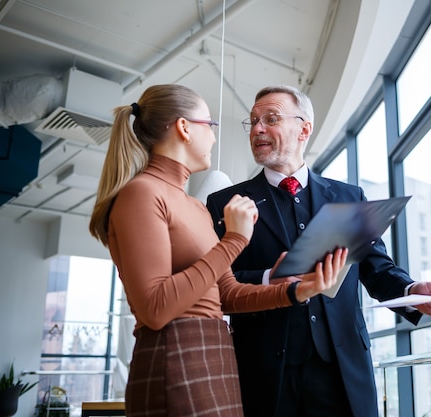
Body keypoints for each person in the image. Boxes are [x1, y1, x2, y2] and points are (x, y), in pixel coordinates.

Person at [88, 84, 348, 417]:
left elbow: (226, 294)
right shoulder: (142, 194)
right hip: (174, 357)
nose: (213, 137)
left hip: (216, 354)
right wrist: (235, 241)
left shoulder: (195, 208)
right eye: (209, 126)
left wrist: (297, 291)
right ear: (184, 128)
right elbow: (154, 308)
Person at [205, 84, 431, 417]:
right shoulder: (226, 203)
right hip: (264, 370)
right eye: (252, 121)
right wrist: (270, 277)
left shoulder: (348, 196)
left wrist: (413, 291)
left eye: (270, 119)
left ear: (304, 129)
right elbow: (218, 282)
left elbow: (376, 269)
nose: (257, 129)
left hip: (342, 370)